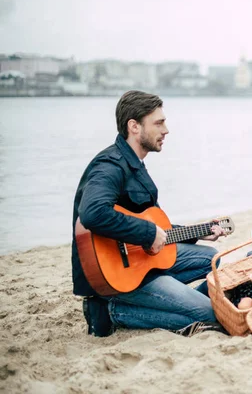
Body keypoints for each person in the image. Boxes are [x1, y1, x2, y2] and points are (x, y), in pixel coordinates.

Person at [71, 90, 227, 337]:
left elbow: (153, 227)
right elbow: (92, 213)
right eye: (159, 123)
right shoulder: (109, 165)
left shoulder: (134, 164)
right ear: (134, 126)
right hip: (114, 273)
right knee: (212, 313)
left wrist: (196, 232)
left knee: (214, 260)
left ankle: (164, 302)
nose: (166, 130)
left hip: (142, 263)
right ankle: (114, 311)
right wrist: (146, 233)